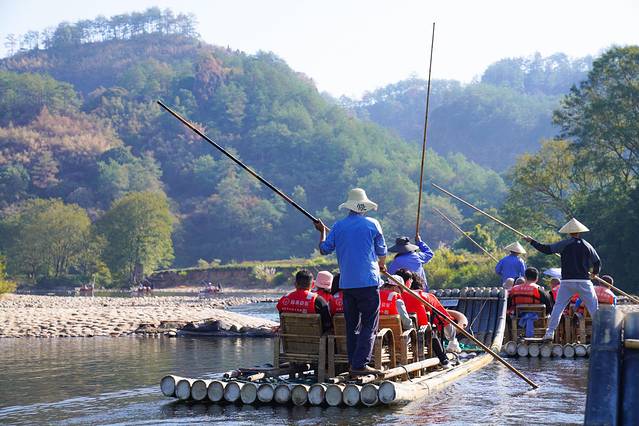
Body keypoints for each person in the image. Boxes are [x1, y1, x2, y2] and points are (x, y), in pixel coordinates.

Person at [315, 188, 387, 376]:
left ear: (349, 206)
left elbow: (324, 249)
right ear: (363, 207)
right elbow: (382, 251)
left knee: (352, 326)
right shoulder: (373, 224)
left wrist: (322, 232)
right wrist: (381, 265)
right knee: (369, 325)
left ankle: (353, 363)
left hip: (347, 284)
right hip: (369, 282)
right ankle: (360, 365)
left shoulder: (338, 226)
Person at [523, 218, 601, 341]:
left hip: (567, 282)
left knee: (558, 307)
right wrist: (595, 273)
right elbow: (597, 262)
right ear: (580, 232)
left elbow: (546, 249)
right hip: (584, 281)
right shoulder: (587, 245)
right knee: (594, 308)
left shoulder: (564, 244)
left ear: (569, 232)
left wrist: (532, 241)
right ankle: (601, 334)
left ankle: (550, 333)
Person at [396, 269, 464, 354]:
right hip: (418, 333)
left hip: (392, 334)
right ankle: (446, 353)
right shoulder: (424, 296)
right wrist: (452, 339)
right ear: (409, 281)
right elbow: (443, 318)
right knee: (434, 327)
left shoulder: (386, 296)